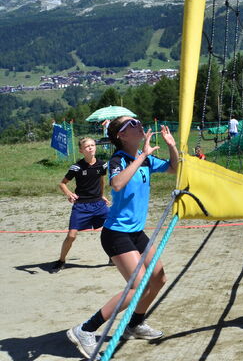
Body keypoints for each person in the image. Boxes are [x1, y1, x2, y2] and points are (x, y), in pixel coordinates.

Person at [66, 116, 181, 358]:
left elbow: (173, 168)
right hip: (116, 233)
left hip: (135, 232)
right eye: (132, 125)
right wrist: (142, 156)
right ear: (121, 135)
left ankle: (134, 325)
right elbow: (116, 183)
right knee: (137, 285)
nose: (139, 125)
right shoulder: (118, 159)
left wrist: (171, 146)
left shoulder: (146, 158)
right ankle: (85, 330)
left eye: (138, 122)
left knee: (159, 278)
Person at [50, 137, 110, 273]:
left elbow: (101, 181)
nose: (90, 148)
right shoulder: (76, 167)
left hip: (99, 204)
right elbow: (62, 183)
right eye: (87, 146)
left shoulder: (102, 165)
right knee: (71, 235)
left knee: (112, 229)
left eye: (92, 145)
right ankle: (61, 261)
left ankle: (113, 256)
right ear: (81, 150)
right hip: (81, 206)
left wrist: (102, 195)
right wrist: (69, 193)